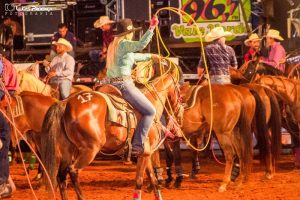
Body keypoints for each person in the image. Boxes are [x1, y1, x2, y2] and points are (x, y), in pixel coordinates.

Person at [105, 17, 159, 156]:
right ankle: (137, 145)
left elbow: (134, 57)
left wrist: (151, 56)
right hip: (124, 84)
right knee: (150, 111)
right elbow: (141, 44)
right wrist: (151, 28)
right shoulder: (124, 44)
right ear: (128, 33)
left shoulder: (114, 46)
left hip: (110, 84)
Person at [0, 52, 17, 198]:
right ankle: (2, 183)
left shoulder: (5, 64)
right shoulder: (5, 64)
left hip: (6, 91)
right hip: (4, 94)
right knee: (3, 138)